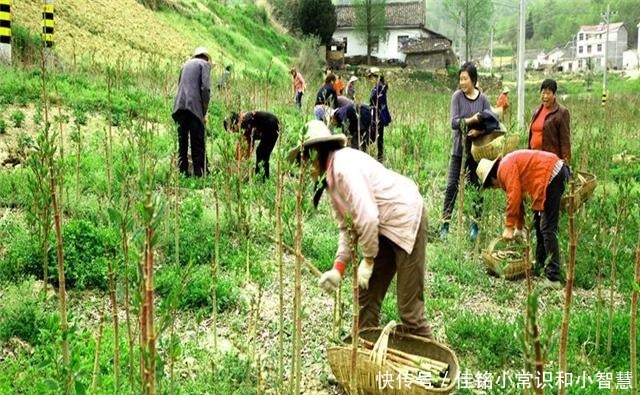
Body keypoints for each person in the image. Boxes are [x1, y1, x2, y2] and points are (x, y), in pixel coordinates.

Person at [289, 120, 432, 338]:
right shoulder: (331, 179)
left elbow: (367, 218)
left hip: (406, 219)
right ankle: (364, 352)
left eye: (304, 160)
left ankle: (434, 365)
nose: (304, 168)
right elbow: (347, 227)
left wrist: (369, 259)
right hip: (382, 229)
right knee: (365, 296)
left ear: (315, 153)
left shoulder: (344, 167)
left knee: (409, 309)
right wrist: (338, 268)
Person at [476, 149, 569, 289]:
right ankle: (540, 265)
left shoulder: (504, 169)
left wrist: (509, 226)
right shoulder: (506, 166)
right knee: (540, 225)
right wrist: (519, 227)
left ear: (492, 180)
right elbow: (518, 198)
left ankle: (554, 277)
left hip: (552, 174)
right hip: (553, 172)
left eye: (492, 187)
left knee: (547, 228)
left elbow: (513, 195)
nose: (495, 188)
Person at [439, 62, 492, 241]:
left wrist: (479, 131)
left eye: (465, 79)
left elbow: (491, 122)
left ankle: (474, 226)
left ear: (473, 79)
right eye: (460, 79)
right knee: (452, 186)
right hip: (458, 150)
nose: (462, 82)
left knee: (475, 188)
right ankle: (445, 224)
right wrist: (472, 119)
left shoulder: (483, 99)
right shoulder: (457, 97)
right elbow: (454, 122)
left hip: (476, 153)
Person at [172, 47, 211, 177]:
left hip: (179, 107)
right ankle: (200, 174)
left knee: (182, 142)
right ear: (206, 58)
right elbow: (205, 89)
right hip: (194, 107)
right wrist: (204, 111)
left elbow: (180, 84)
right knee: (197, 141)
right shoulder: (204, 64)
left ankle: (183, 172)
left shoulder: (185, 65)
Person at [224, 111, 279, 181]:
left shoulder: (245, 121)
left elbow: (247, 144)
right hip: (270, 126)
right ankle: (261, 177)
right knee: (261, 152)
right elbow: (248, 143)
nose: (234, 132)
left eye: (233, 129)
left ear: (235, 123)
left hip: (271, 126)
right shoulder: (245, 123)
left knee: (262, 152)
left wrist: (242, 161)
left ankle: (262, 179)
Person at [528, 79, 571, 163]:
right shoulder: (537, 111)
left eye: (548, 93)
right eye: (543, 93)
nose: (545, 96)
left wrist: (566, 163)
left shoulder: (562, 112)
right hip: (534, 158)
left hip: (549, 160)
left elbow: (565, 140)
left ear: (554, 94)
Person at [368, 68, 392, 162]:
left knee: (376, 135)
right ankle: (380, 155)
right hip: (377, 113)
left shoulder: (379, 87)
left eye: (371, 77)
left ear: (376, 77)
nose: (370, 80)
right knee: (378, 135)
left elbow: (374, 98)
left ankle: (380, 155)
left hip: (379, 115)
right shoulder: (378, 87)